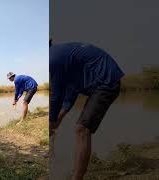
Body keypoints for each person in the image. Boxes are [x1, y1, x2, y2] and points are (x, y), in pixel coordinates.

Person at [50, 42, 124, 180]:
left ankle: (77, 177)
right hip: (99, 83)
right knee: (80, 129)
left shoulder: (53, 58)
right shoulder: (62, 57)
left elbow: (56, 96)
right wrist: (57, 120)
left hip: (106, 81)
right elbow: (70, 94)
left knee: (81, 129)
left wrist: (51, 121)